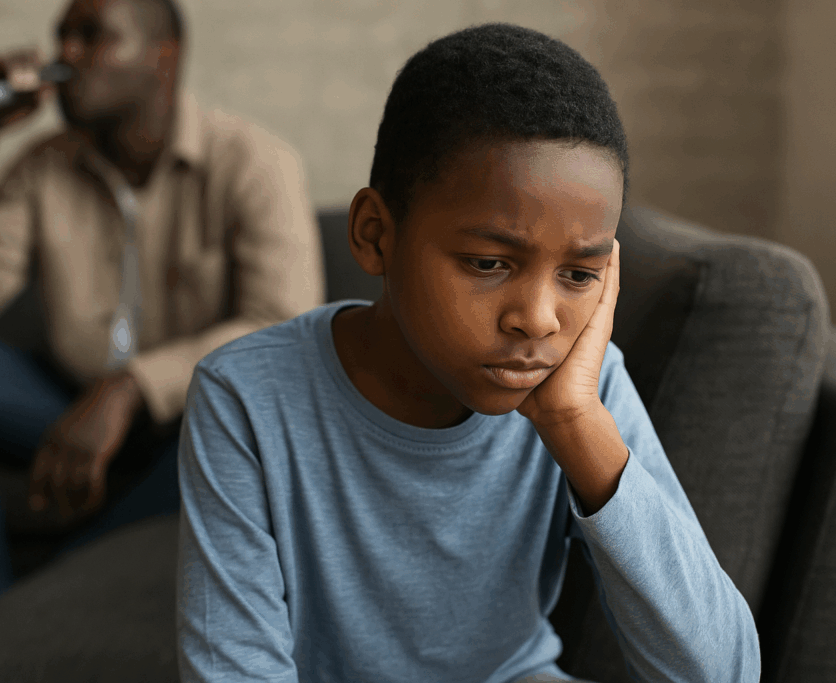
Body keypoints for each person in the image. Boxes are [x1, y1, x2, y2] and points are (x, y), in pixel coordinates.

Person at [175, 23, 761, 683]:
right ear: (375, 235)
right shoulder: (245, 396)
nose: (537, 319)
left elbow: (722, 672)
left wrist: (575, 422)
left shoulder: (583, 390)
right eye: (488, 261)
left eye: (579, 274)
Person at [0, 0, 323, 624]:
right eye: (62, 37)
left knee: (260, 438)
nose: (66, 55)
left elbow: (282, 332)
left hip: (193, 427)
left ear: (164, 56)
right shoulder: (42, 167)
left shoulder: (256, 162)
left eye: (92, 36)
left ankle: (33, 610)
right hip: (68, 403)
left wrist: (133, 387)